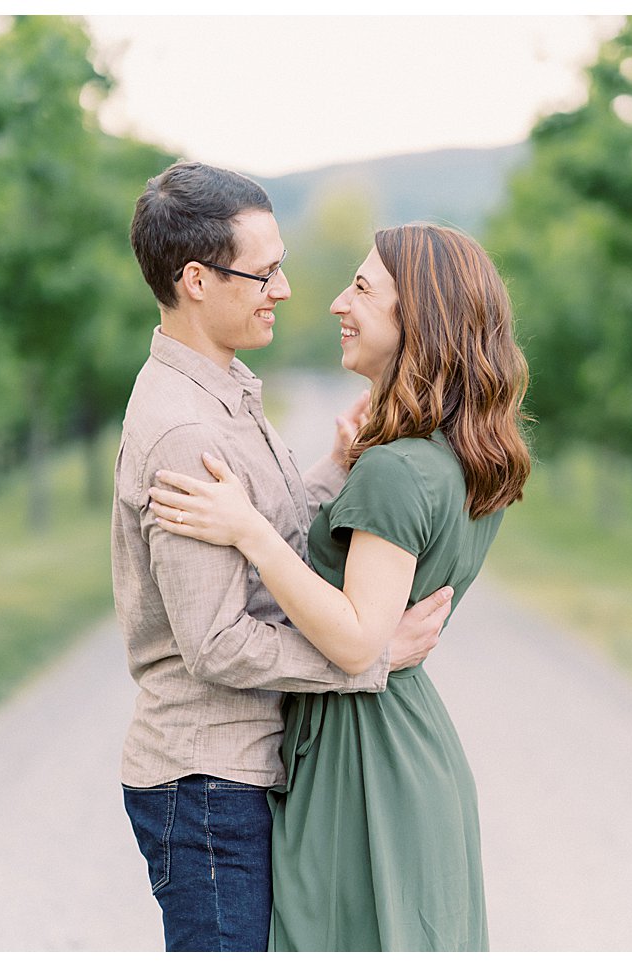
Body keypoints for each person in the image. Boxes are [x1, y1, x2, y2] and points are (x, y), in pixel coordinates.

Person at [149, 223, 531, 950]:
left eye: (361, 287)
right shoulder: (455, 457)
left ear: (418, 317)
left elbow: (357, 637)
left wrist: (248, 529)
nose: (334, 304)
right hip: (406, 755)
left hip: (364, 769)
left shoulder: (394, 469)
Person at [112, 160, 455, 952]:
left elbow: (260, 529)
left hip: (234, 775)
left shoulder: (220, 388)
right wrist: (369, 657)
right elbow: (217, 641)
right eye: (263, 272)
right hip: (205, 786)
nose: (286, 289)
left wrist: (332, 470)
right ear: (196, 280)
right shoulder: (185, 431)